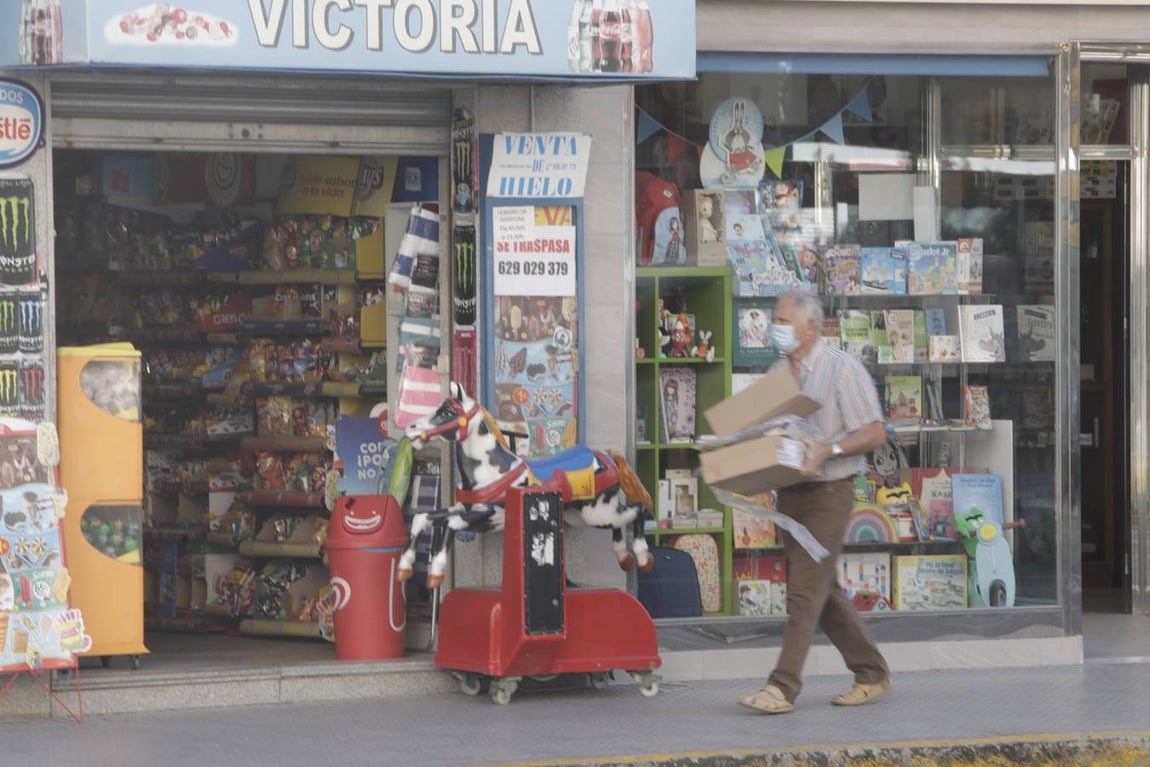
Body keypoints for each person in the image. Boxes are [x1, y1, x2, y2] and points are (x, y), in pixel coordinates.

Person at [737, 290, 892, 715]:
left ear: (811, 326)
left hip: (829, 492)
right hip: (791, 492)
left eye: (784, 321)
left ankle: (781, 687)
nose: (776, 328)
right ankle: (872, 672)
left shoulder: (843, 370)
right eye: (775, 320)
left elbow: (876, 432)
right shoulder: (777, 372)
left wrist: (830, 450)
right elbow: (767, 434)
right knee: (822, 591)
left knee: (804, 591)